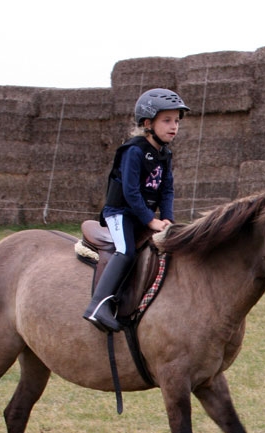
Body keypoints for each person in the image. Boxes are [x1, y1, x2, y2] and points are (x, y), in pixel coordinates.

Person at [83, 88, 189, 332]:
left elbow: (167, 191)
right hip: (120, 213)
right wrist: (150, 221)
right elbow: (130, 192)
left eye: (176, 121)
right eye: (167, 120)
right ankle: (98, 306)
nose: (174, 126)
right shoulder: (135, 151)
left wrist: (168, 218)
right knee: (127, 251)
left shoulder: (165, 154)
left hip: (142, 215)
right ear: (147, 123)